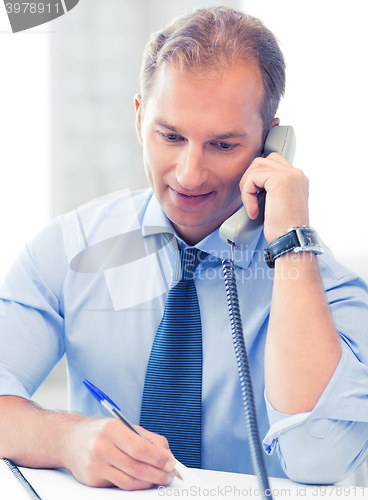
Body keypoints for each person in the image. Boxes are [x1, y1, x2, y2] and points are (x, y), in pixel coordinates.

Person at [1, 5, 368, 491]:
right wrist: (65, 438)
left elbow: (321, 462)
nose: (189, 174)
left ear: (271, 143)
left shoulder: (327, 290)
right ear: (139, 119)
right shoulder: (70, 248)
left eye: (223, 145)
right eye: (170, 136)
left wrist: (292, 243)